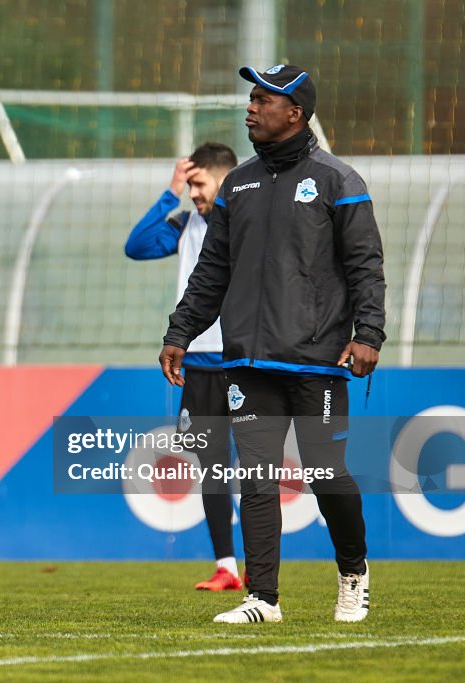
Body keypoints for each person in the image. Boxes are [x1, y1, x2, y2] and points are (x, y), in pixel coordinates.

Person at [160, 64, 385, 624]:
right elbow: (211, 271)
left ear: (297, 113)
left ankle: (353, 573)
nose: (251, 107)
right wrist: (180, 332)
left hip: (316, 360)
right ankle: (262, 598)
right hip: (248, 361)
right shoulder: (238, 184)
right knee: (255, 478)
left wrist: (369, 334)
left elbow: (365, 266)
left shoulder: (339, 181)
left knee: (326, 475)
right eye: (251, 98)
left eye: (264, 100)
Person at [125, 142, 242, 592]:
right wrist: (170, 192)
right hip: (199, 363)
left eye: (198, 183)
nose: (194, 192)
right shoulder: (185, 223)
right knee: (212, 466)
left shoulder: (247, 222)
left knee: (254, 463)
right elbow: (136, 247)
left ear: (223, 179)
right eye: (190, 184)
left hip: (242, 359)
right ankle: (227, 567)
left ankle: (263, 567)